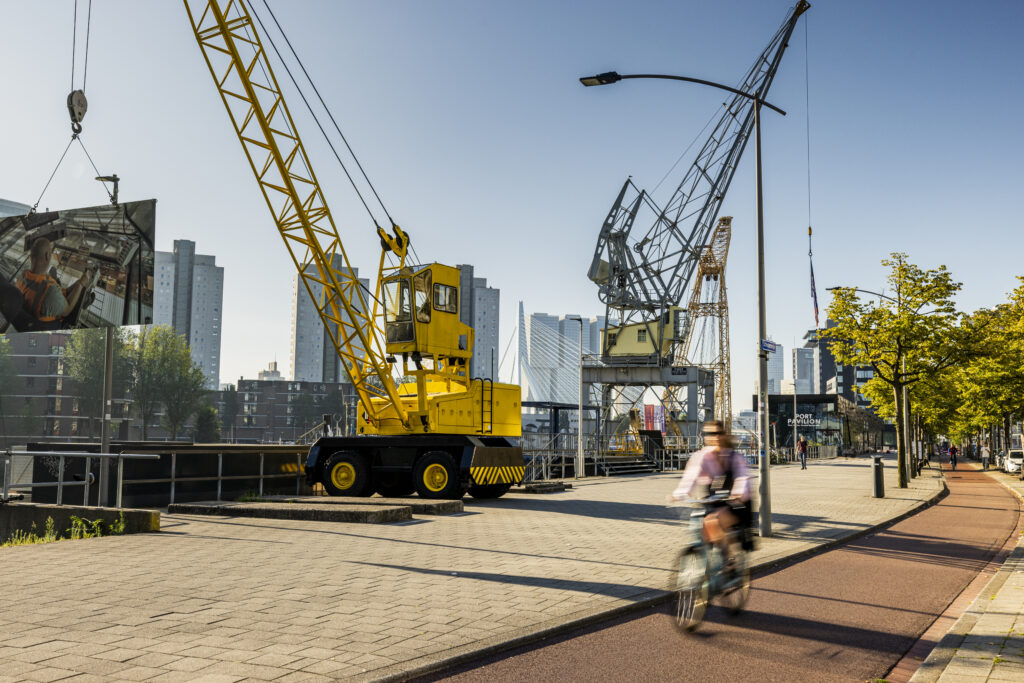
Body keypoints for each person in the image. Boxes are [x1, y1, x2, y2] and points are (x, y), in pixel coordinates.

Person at [668, 420, 754, 575]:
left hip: (737, 504)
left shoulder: (734, 457)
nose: (714, 437)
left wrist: (738, 493)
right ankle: (705, 576)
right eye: (709, 434)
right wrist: (680, 494)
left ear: (724, 435)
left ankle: (729, 560)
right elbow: (691, 477)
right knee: (701, 527)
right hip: (713, 501)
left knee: (713, 521)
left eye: (717, 433)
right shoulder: (702, 456)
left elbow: (742, 478)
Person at [17, 237, 94, 326]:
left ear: (31, 257)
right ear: (47, 256)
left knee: (73, 280)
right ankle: (86, 300)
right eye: (50, 252)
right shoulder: (50, 292)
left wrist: (79, 282)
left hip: (52, 299)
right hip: (58, 312)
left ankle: (84, 291)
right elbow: (67, 311)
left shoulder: (23, 276)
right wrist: (80, 284)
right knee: (80, 286)